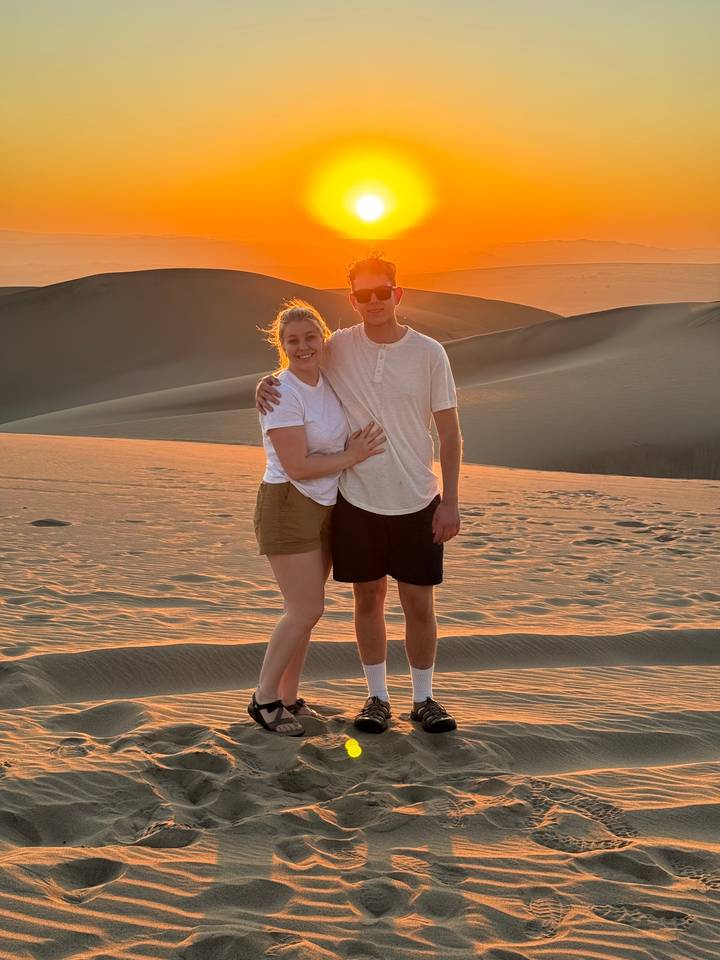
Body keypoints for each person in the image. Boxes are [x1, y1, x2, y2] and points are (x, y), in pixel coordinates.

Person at [256, 254, 463, 734]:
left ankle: (425, 699)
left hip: (417, 497)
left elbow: (450, 433)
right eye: (363, 295)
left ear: (398, 294)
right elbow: (295, 363)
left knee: (418, 604)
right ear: (352, 300)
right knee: (367, 600)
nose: (373, 302)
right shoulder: (339, 346)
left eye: (382, 292)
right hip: (357, 501)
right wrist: (262, 386)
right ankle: (376, 698)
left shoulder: (430, 352)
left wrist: (450, 499)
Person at [249, 299, 385, 736]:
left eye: (311, 338)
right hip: (289, 503)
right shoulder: (281, 393)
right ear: (282, 346)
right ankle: (263, 698)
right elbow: (298, 466)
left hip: (325, 505)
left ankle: (289, 697)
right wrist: (353, 455)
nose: (303, 347)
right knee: (305, 608)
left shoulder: (327, 381)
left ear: (323, 340)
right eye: (293, 341)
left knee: (305, 612)